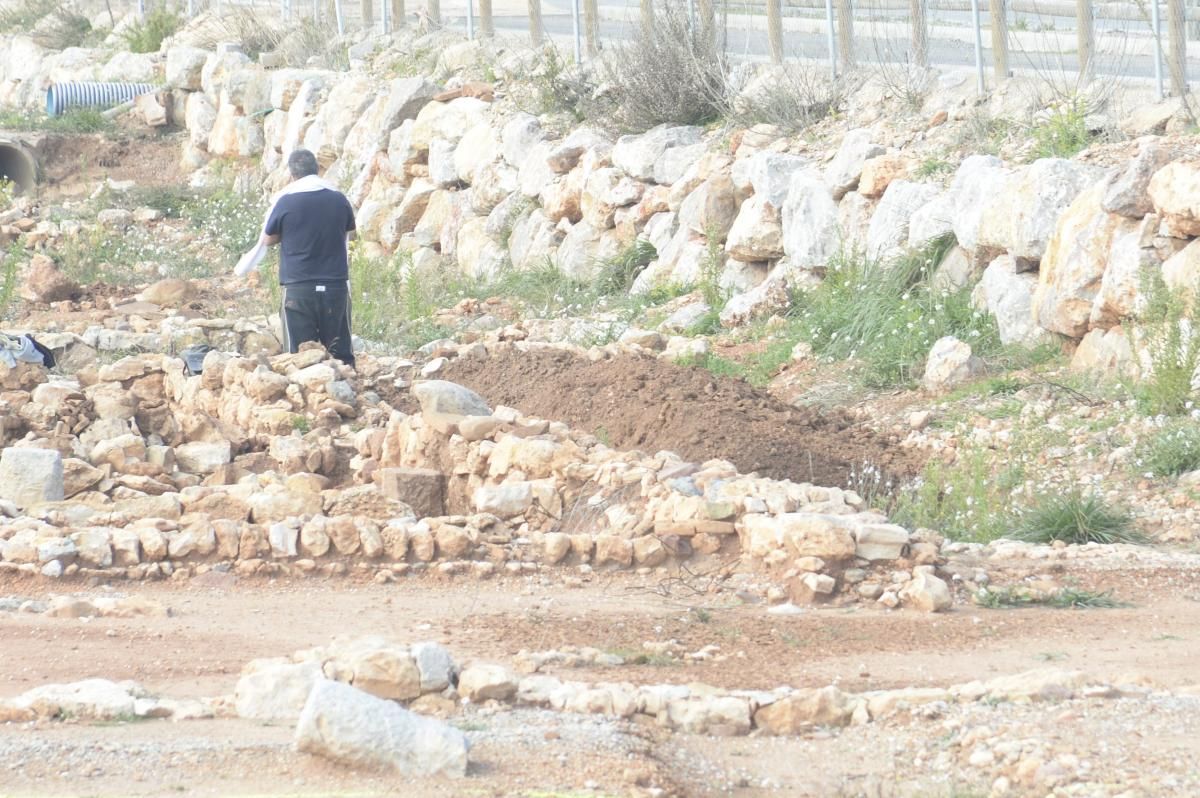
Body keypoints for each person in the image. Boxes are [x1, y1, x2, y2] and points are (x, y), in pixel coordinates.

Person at [238, 149, 358, 367]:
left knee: (300, 359)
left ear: (292, 174)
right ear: (318, 170)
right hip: (335, 287)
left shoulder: (286, 202)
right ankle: (348, 396)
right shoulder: (339, 199)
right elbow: (349, 230)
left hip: (298, 288)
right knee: (341, 356)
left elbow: (268, 239)